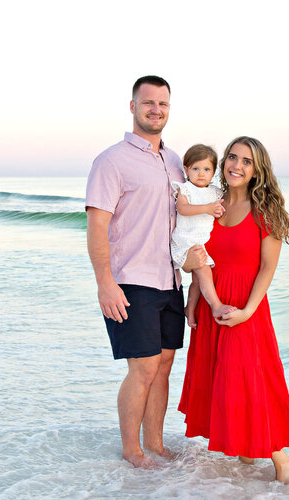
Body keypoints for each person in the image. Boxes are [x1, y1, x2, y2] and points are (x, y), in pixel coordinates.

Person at [85, 75, 203, 468]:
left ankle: (155, 442)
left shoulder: (175, 162)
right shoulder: (111, 161)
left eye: (163, 104)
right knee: (144, 367)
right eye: (148, 102)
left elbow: (189, 220)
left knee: (166, 363)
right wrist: (105, 283)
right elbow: (97, 226)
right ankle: (131, 449)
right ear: (132, 106)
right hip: (131, 280)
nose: (156, 110)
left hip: (170, 280)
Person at [178, 136, 289, 484]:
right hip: (213, 302)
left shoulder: (266, 211)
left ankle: (281, 458)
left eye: (246, 161)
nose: (237, 165)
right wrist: (193, 301)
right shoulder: (210, 204)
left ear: (256, 170)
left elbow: (267, 268)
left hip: (245, 307)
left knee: (249, 380)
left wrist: (248, 311)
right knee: (221, 379)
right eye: (232, 157)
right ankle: (247, 451)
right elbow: (196, 255)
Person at [170, 144, 235, 328]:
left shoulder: (214, 192)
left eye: (207, 169)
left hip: (201, 241)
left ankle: (189, 310)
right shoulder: (186, 189)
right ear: (186, 170)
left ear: (214, 171)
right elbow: (182, 208)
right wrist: (207, 208)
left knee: (198, 281)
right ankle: (216, 305)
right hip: (186, 240)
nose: (201, 173)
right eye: (196, 168)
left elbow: (228, 204)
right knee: (205, 271)